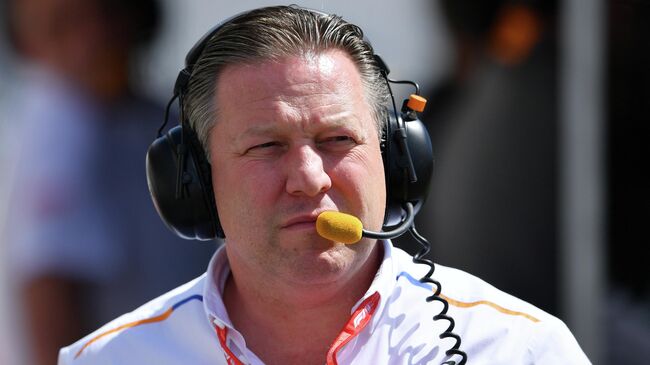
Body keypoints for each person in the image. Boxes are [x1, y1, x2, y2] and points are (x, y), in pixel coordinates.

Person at [58, 6, 590, 364]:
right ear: (194, 183)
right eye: (266, 146)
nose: (310, 178)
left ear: (397, 159)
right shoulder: (109, 359)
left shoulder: (521, 350)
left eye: (338, 139)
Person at [1, 0, 216, 364]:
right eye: (63, 25)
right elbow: (51, 290)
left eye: (107, 12)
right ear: (25, 41)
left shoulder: (164, 118)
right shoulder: (58, 127)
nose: (95, 36)